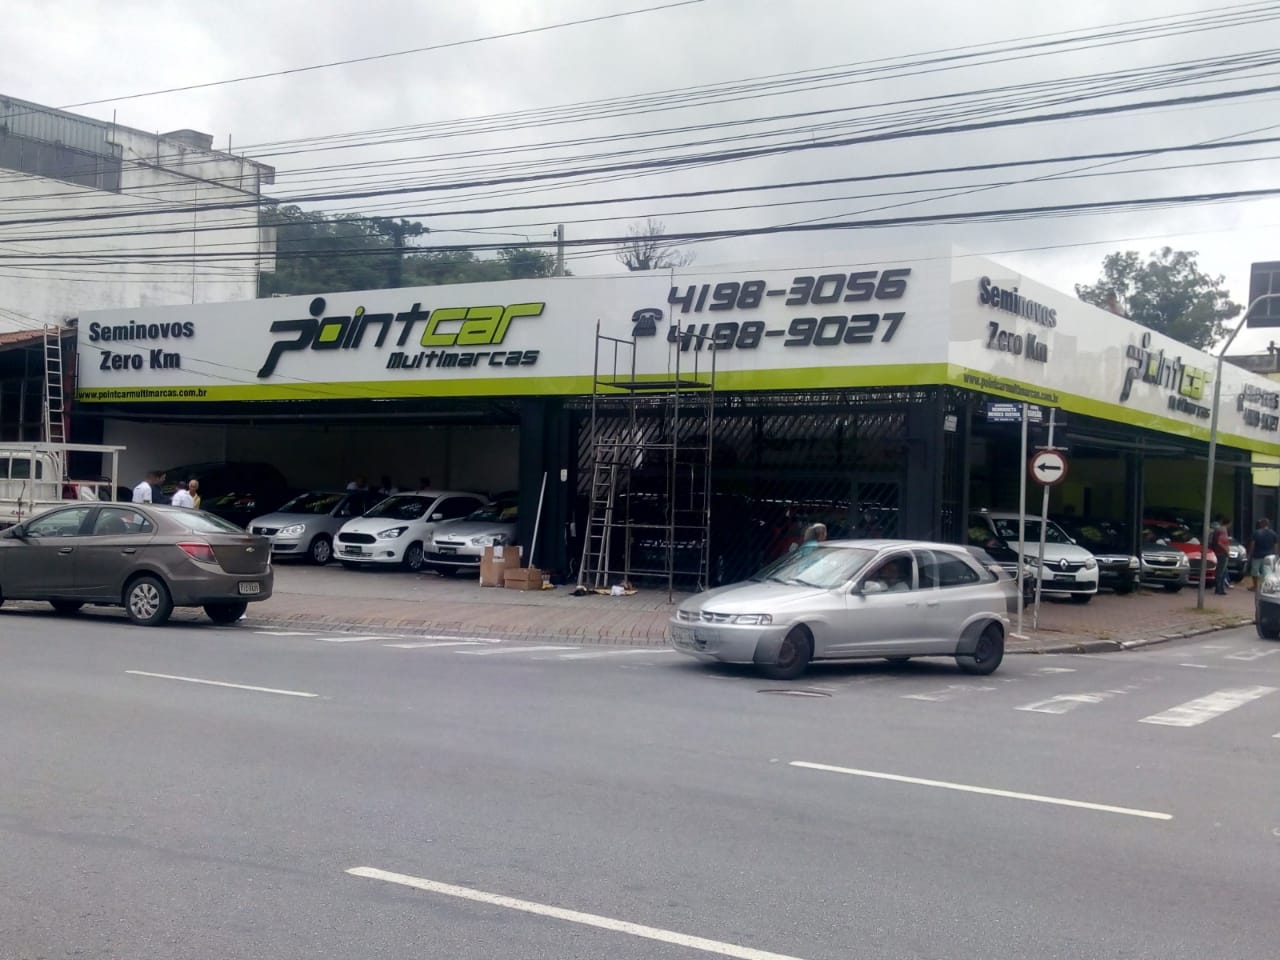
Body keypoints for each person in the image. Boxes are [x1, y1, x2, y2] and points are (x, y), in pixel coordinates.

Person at [1248, 518, 1277, 591]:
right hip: (1268, 556)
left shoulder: (1256, 533)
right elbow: (1275, 546)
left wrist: (1250, 554)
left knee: (1254, 571)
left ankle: (1255, 586)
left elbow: (1252, 544)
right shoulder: (1273, 533)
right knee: (1266, 572)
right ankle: (1265, 587)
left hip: (1257, 555)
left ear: (1261, 524)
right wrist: (1274, 555)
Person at [1212, 516, 1231, 596]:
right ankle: (1219, 588)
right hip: (1222, 553)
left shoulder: (1219, 529)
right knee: (1221, 571)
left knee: (1221, 571)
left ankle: (1220, 588)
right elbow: (1220, 542)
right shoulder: (1223, 530)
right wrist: (1226, 551)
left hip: (1218, 552)